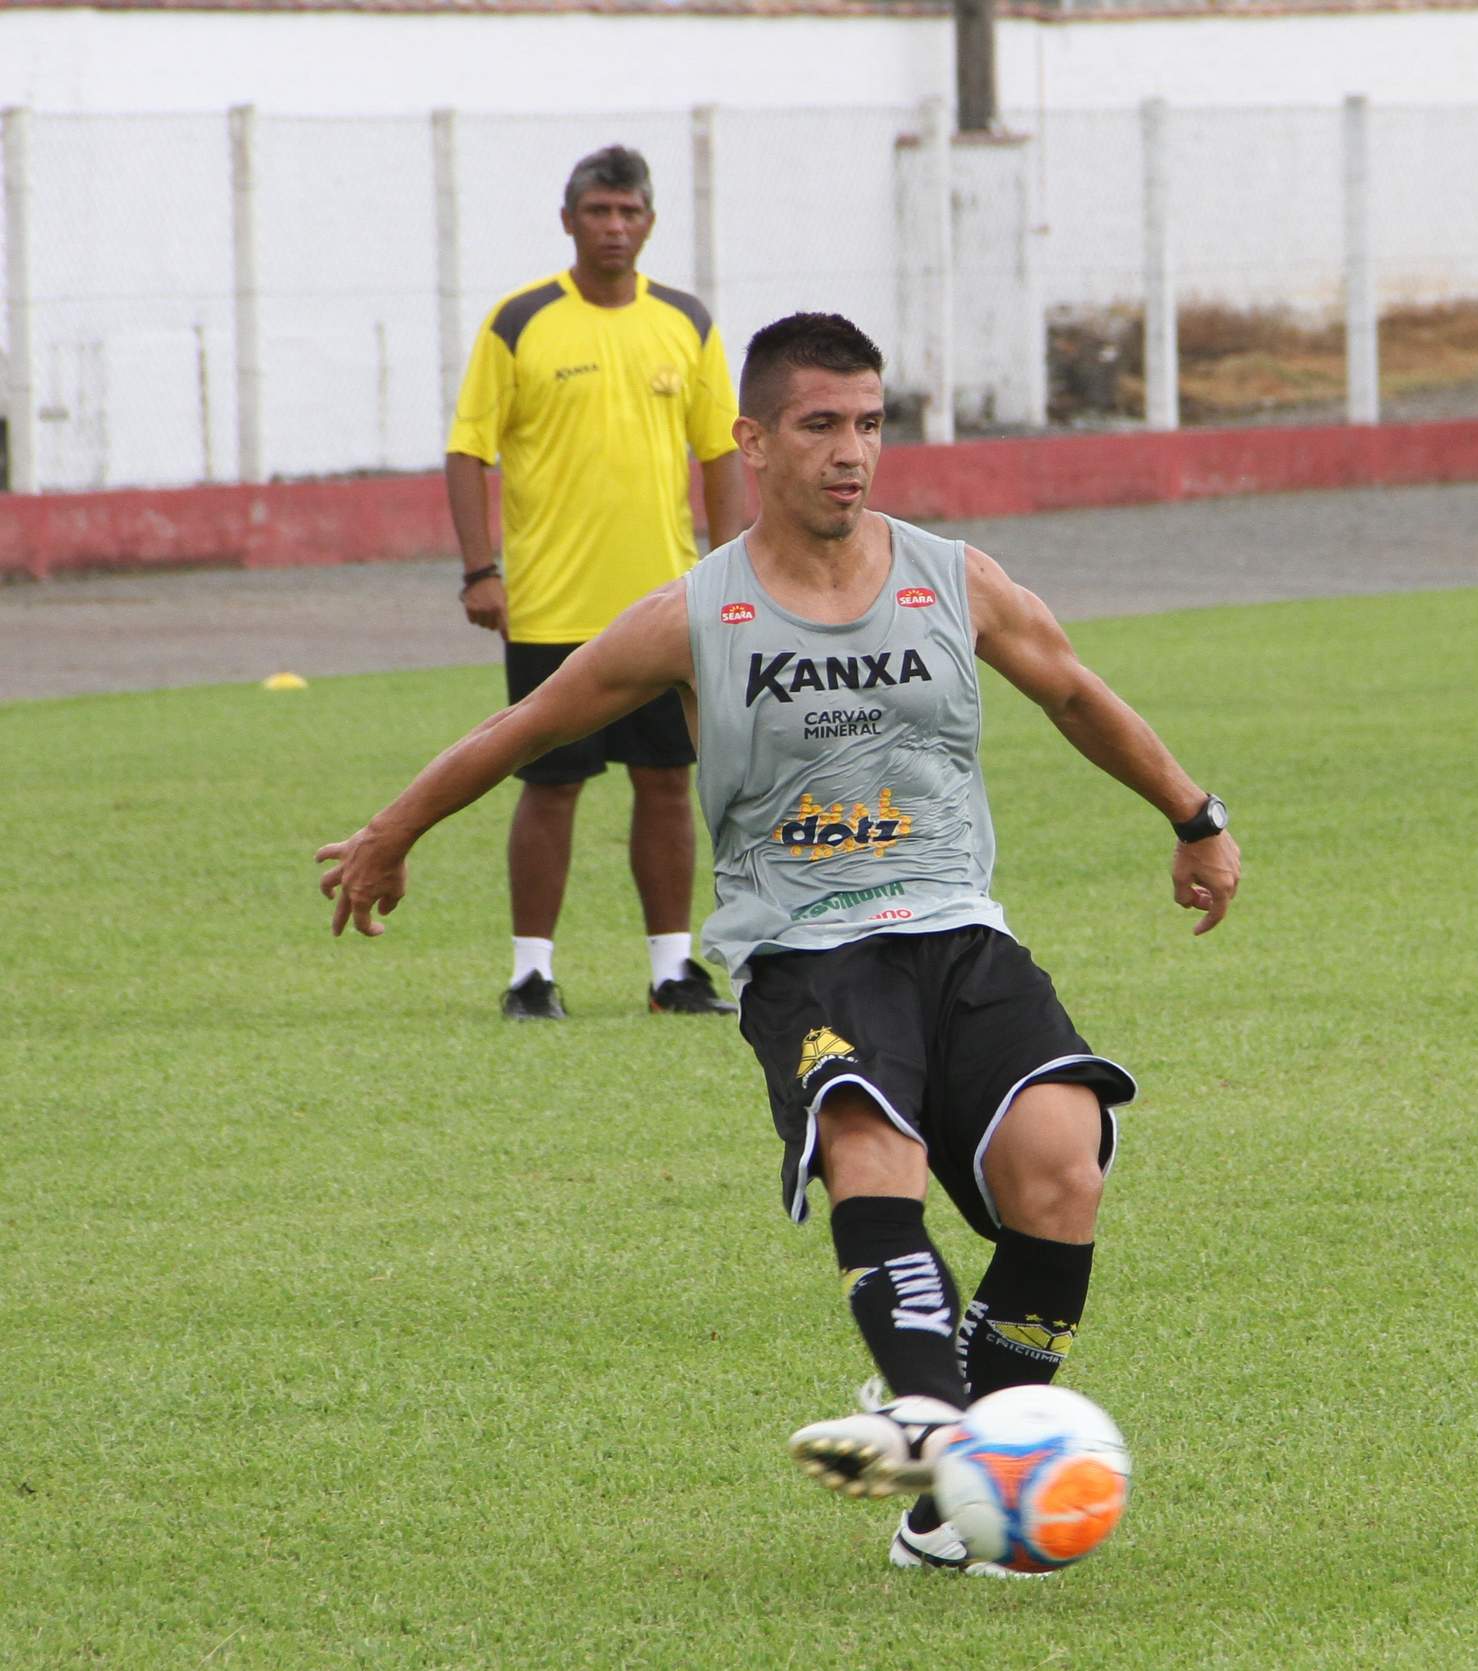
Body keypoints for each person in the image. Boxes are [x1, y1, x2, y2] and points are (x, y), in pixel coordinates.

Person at [320, 312, 1241, 1574]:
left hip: (956, 927)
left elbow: (1075, 691)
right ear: (752, 440)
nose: (851, 452)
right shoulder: (695, 616)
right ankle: (928, 1410)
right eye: (821, 425)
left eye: (869, 424)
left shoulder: (952, 578)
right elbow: (527, 727)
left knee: (1062, 1165)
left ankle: (943, 1488)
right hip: (804, 946)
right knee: (872, 1136)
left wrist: (1194, 817)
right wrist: (391, 834)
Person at [446, 143, 747, 1021]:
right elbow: (470, 450)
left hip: (663, 604)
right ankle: (531, 974)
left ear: (650, 221)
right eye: (599, 212)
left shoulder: (685, 322)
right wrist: (479, 569)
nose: (615, 228)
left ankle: (673, 971)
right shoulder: (521, 321)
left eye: (630, 212)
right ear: (569, 219)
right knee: (550, 782)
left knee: (665, 780)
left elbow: (724, 450)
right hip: (550, 604)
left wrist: (728, 570)